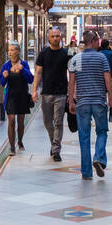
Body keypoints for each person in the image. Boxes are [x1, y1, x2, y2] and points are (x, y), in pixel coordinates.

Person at [67, 27, 112, 179]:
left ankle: (86, 172)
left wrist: (71, 102)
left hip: (82, 103)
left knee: (84, 136)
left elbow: (72, 83)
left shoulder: (76, 59)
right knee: (101, 131)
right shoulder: (101, 58)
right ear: (93, 42)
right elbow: (108, 80)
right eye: (97, 41)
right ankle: (99, 158)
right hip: (99, 101)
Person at [32, 26, 69, 161]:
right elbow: (38, 72)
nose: (55, 38)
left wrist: (72, 91)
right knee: (48, 122)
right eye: (53, 36)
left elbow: (72, 73)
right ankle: (54, 143)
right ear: (48, 38)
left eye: (57, 36)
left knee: (58, 122)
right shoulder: (43, 54)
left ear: (61, 37)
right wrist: (34, 90)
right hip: (46, 93)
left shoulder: (66, 54)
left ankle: (56, 149)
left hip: (61, 93)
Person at [0, 43, 32, 154]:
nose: (10, 52)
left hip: (22, 96)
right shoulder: (6, 65)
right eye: (9, 50)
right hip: (11, 96)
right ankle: (12, 147)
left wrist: (22, 70)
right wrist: (4, 76)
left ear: (18, 51)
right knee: (11, 120)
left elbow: (30, 79)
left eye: (12, 50)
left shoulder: (24, 64)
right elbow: (2, 83)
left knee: (21, 122)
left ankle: (20, 141)